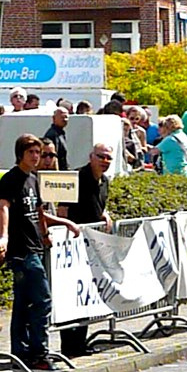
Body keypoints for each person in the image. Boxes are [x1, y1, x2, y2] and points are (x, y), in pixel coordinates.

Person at [0, 134, 80, 371]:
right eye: (31, 152)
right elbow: (3, 208)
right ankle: (38, 353)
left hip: (35, 246)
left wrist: (48, 232)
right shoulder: (11, 179)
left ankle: (21, 353)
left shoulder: (33, 179)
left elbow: (39, 211)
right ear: (20, 154)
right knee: (42, 300)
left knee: (24, 303)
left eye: (38, 153)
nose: (36, 157)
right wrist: (4, 236)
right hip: (21, 250)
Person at [60, 144, 115, 358]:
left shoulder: (105, 181)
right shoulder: (76, 178)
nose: (104, 161)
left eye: (108, 158)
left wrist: (105, 214)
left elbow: (100, 206)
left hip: (91, 246)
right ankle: (69, 345)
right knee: (71, 295)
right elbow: (63, 210)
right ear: (91, 156)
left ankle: (80, 343)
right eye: (101, 157)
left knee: (85, 294)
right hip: (72, 245)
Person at [43, 107, 70, 171]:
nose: (65, 120)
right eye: (62, 117)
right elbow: (54, 157)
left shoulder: (60, 134)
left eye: (66, 117)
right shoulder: (52, 135)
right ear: (54, 118)